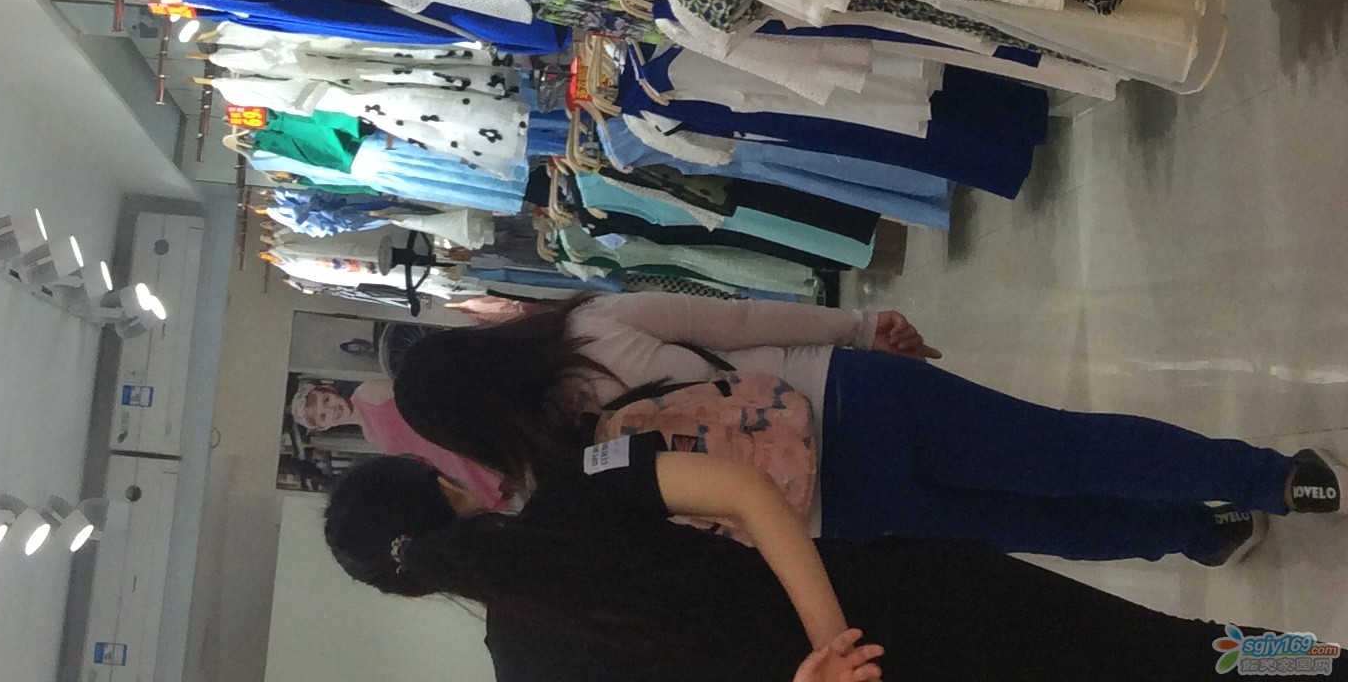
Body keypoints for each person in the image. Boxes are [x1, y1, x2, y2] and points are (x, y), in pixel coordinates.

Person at [389, 292, 1343, 564]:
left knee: (1032, 525)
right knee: (1064, 450)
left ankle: (1197, 534)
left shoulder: (557, 487)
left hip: (832, 509)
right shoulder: (592, 328)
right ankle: (1276, 480)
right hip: (846, 399)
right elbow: (742, 323)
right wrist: (861, 327)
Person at [322, 441, 1304, 682]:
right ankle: (1319, 663)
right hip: (914, 600)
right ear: (446, 487)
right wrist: (835, 635)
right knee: (1185, 652)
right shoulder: (575, 486)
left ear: (412, 590)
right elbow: (748, 491)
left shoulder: (523, 672)